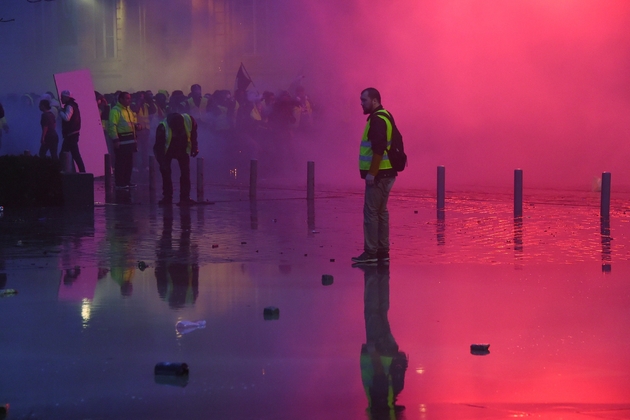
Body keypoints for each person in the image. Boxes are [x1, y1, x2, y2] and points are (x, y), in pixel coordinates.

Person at [352, 88, 398, 264]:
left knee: (371, 213)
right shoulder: (386, 115)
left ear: (375, 101)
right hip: (387, 172)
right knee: (381, 212)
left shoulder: (377, 120)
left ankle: (371, 252)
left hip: (379, 174)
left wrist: (372, 173)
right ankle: (382, 251)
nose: (361, 103)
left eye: (364, 100)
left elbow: (378, 149)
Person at [358, 262, 408, 417]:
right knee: (373, 311)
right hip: (380, 354)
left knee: (381, 311)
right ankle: (374, 273)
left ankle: (382, 274)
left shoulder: (389, 410)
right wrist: (373, 352)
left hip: (389, 354)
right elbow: (379, 379)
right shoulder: (381, 411)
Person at [153, 112, 199, 206]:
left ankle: (185, 198)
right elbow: (158, 148)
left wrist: (194, 146)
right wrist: (162, 163)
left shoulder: (189, 120)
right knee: (166, 173)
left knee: (185, 173)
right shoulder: (162, 127)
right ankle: (167, 197)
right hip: (168, 151)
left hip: (182, 150)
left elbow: (193, 132)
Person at [108, 91, 141, 189]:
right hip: (121, 140)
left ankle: (127, 181)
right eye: (127, 98)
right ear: (121, 99)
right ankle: (119, 183)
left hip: (130, 140)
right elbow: (112, 126)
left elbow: (132, 123)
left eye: (130, 98)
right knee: (120, 163)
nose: (129, 100)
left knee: (129, 163)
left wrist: (137, 126)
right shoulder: (115, 110)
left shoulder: (129, 110)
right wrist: (115, 139)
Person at [58, 90, 86, 172]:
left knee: (68, 154)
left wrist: (60, 111)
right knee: (74, 154)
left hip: (71, 135)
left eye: (62, 97)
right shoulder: (73, 105)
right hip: (72, 134)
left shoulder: (69, 106)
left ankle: (81, 172)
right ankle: (81, 172)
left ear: (66, 97)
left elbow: (67, 118)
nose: (61, 99)